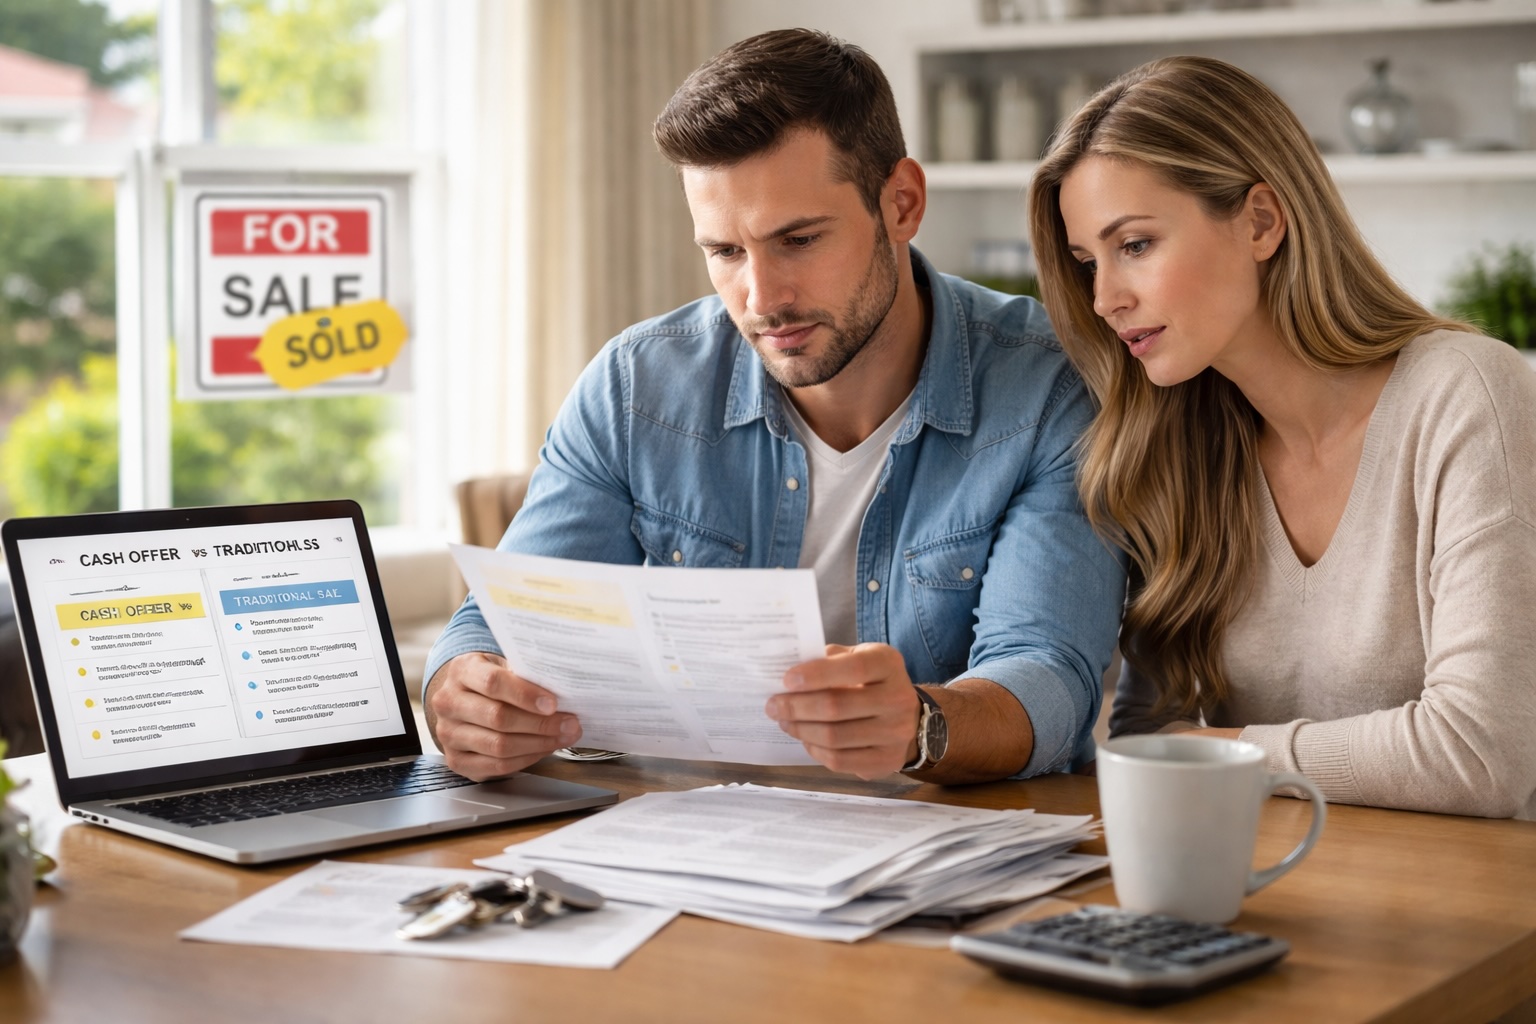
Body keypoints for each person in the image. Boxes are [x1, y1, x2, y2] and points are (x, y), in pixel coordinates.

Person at [423, 28, 1126, 786]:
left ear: (902, 203)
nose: (761, 300)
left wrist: (921, 725)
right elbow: (503, 623)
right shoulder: (635, 386)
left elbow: (1050, 676)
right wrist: (462, 691)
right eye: (725, 251)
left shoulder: (1049, 386)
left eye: (797, 239)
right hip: (676, 836)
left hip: (945, 844)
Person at [1027, 55, 1536, 817]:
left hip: (1468, 915)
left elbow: (1480, 752)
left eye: (1134, 245)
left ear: (1262, 221)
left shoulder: (1465, 395)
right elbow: (1145, 736)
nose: (1104, 298)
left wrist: (1224, 751)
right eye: (1086, 262)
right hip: (1265, 894)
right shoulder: (1179, 448)